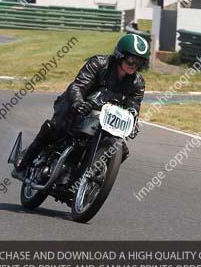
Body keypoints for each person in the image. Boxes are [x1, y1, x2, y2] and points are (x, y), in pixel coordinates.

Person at [13, 34, 149, 181]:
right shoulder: (99, 63)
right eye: (131, 59)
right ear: (120, 55)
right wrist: (78, 103)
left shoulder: (138, 83)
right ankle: (24, 162)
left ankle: (90, 179)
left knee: (121, 150)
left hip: (104, 118)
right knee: (57, 126)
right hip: (76, 105)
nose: (134, 65)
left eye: (139, 61)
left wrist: (132, 121)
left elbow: (133, 106)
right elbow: (77, 86)